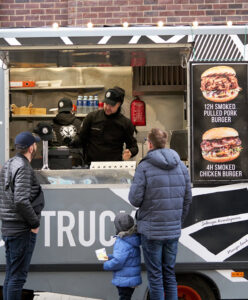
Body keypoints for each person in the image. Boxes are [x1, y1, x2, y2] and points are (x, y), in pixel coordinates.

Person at [128, 128, 192, 300]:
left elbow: (134, 200)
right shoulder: (181, 166)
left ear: (149, 144)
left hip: (151, 232)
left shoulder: (145, 166)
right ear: (165, 143)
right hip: (172, 231)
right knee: (169, 274)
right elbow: (187, 199)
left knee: (155, 276)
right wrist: (177, 222)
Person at [0, 131, 45, 300]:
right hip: (21, 229)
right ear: (31, 147)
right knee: (17, 278)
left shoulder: (9, 163)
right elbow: (20, 200)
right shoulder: (23, 167)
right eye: (35, 144)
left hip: (9, 227)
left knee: (11, 275)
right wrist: (34, 223)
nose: (36, 146)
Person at [71, 87, 138, 165]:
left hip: (114, 167)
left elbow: (134, 147)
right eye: (106, 103)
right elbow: (81, 138)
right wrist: (73, 141)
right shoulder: (91, 117)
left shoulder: (126, 123)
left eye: (112, 105)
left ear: (119, 104)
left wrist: (130, 152)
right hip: (91, 166)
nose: (107, 107)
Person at [103, 213, 142, 300]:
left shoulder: (122, 242)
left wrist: (106, 264)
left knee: (124, 297)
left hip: (124, 279)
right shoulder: (133, 238)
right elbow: (125, 257)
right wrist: (108, 257)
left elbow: (118, 261)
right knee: (126, 297)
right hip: (130, 278)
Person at [50, 97, 82, 166]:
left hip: (56, 162)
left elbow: (49, 145)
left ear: (58, 110)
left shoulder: (52, 125)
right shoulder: (79, 123)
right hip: (75, 162)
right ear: (72, 109)